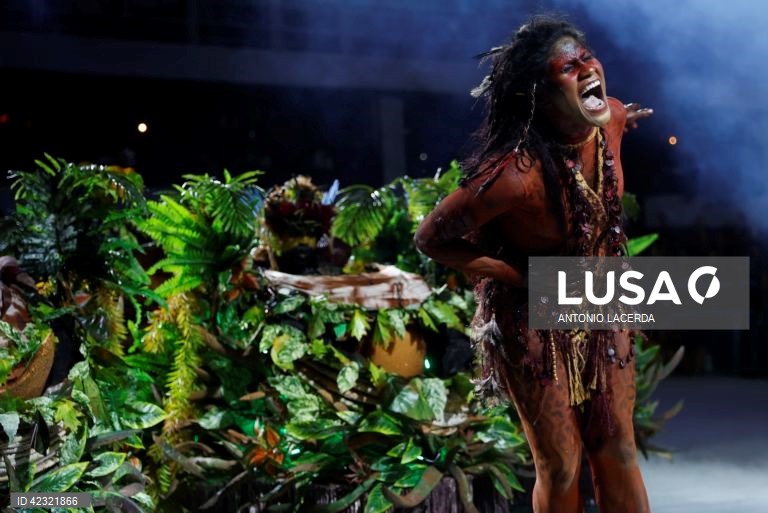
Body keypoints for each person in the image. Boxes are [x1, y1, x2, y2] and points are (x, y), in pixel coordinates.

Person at [413, 15, 653, 513]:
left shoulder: (607, 118)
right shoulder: (513, 177)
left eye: (587, 57)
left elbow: (609, 126)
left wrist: (623, 121)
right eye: (569, 66)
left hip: (601, 298)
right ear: (540, 97)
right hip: (532, 310)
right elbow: (430, 237)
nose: (586, 67)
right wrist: (506, 274)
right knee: (561, 464)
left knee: (618, 449)